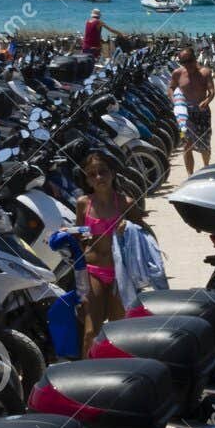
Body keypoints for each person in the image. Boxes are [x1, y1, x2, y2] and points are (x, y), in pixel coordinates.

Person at [75, 151, 139, 354]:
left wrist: (128, 228)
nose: (98, 178)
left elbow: (145, 235)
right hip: (93, 271)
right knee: (90, 333)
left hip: (120, 274)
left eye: (102, 172)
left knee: (118, 331)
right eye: (91, 174)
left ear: (112, 173)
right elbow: (81, 235)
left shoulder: (126, 203)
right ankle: (86, 380)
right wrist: (67, 232)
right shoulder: (83, 203)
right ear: (86, 179)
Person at [169, 46, 215, 176]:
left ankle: (206, 168)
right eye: (183, 62)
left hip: (202, 112)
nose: (187, 65)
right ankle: (190, 175)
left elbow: (211, 91)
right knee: (187, 144)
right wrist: (175, 101)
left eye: (189, 61)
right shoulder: (177, 73)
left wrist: (207, 100)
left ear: (195, 59)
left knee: (205, 144)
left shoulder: (205, 72)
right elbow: (171, 88)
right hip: (185, 114)